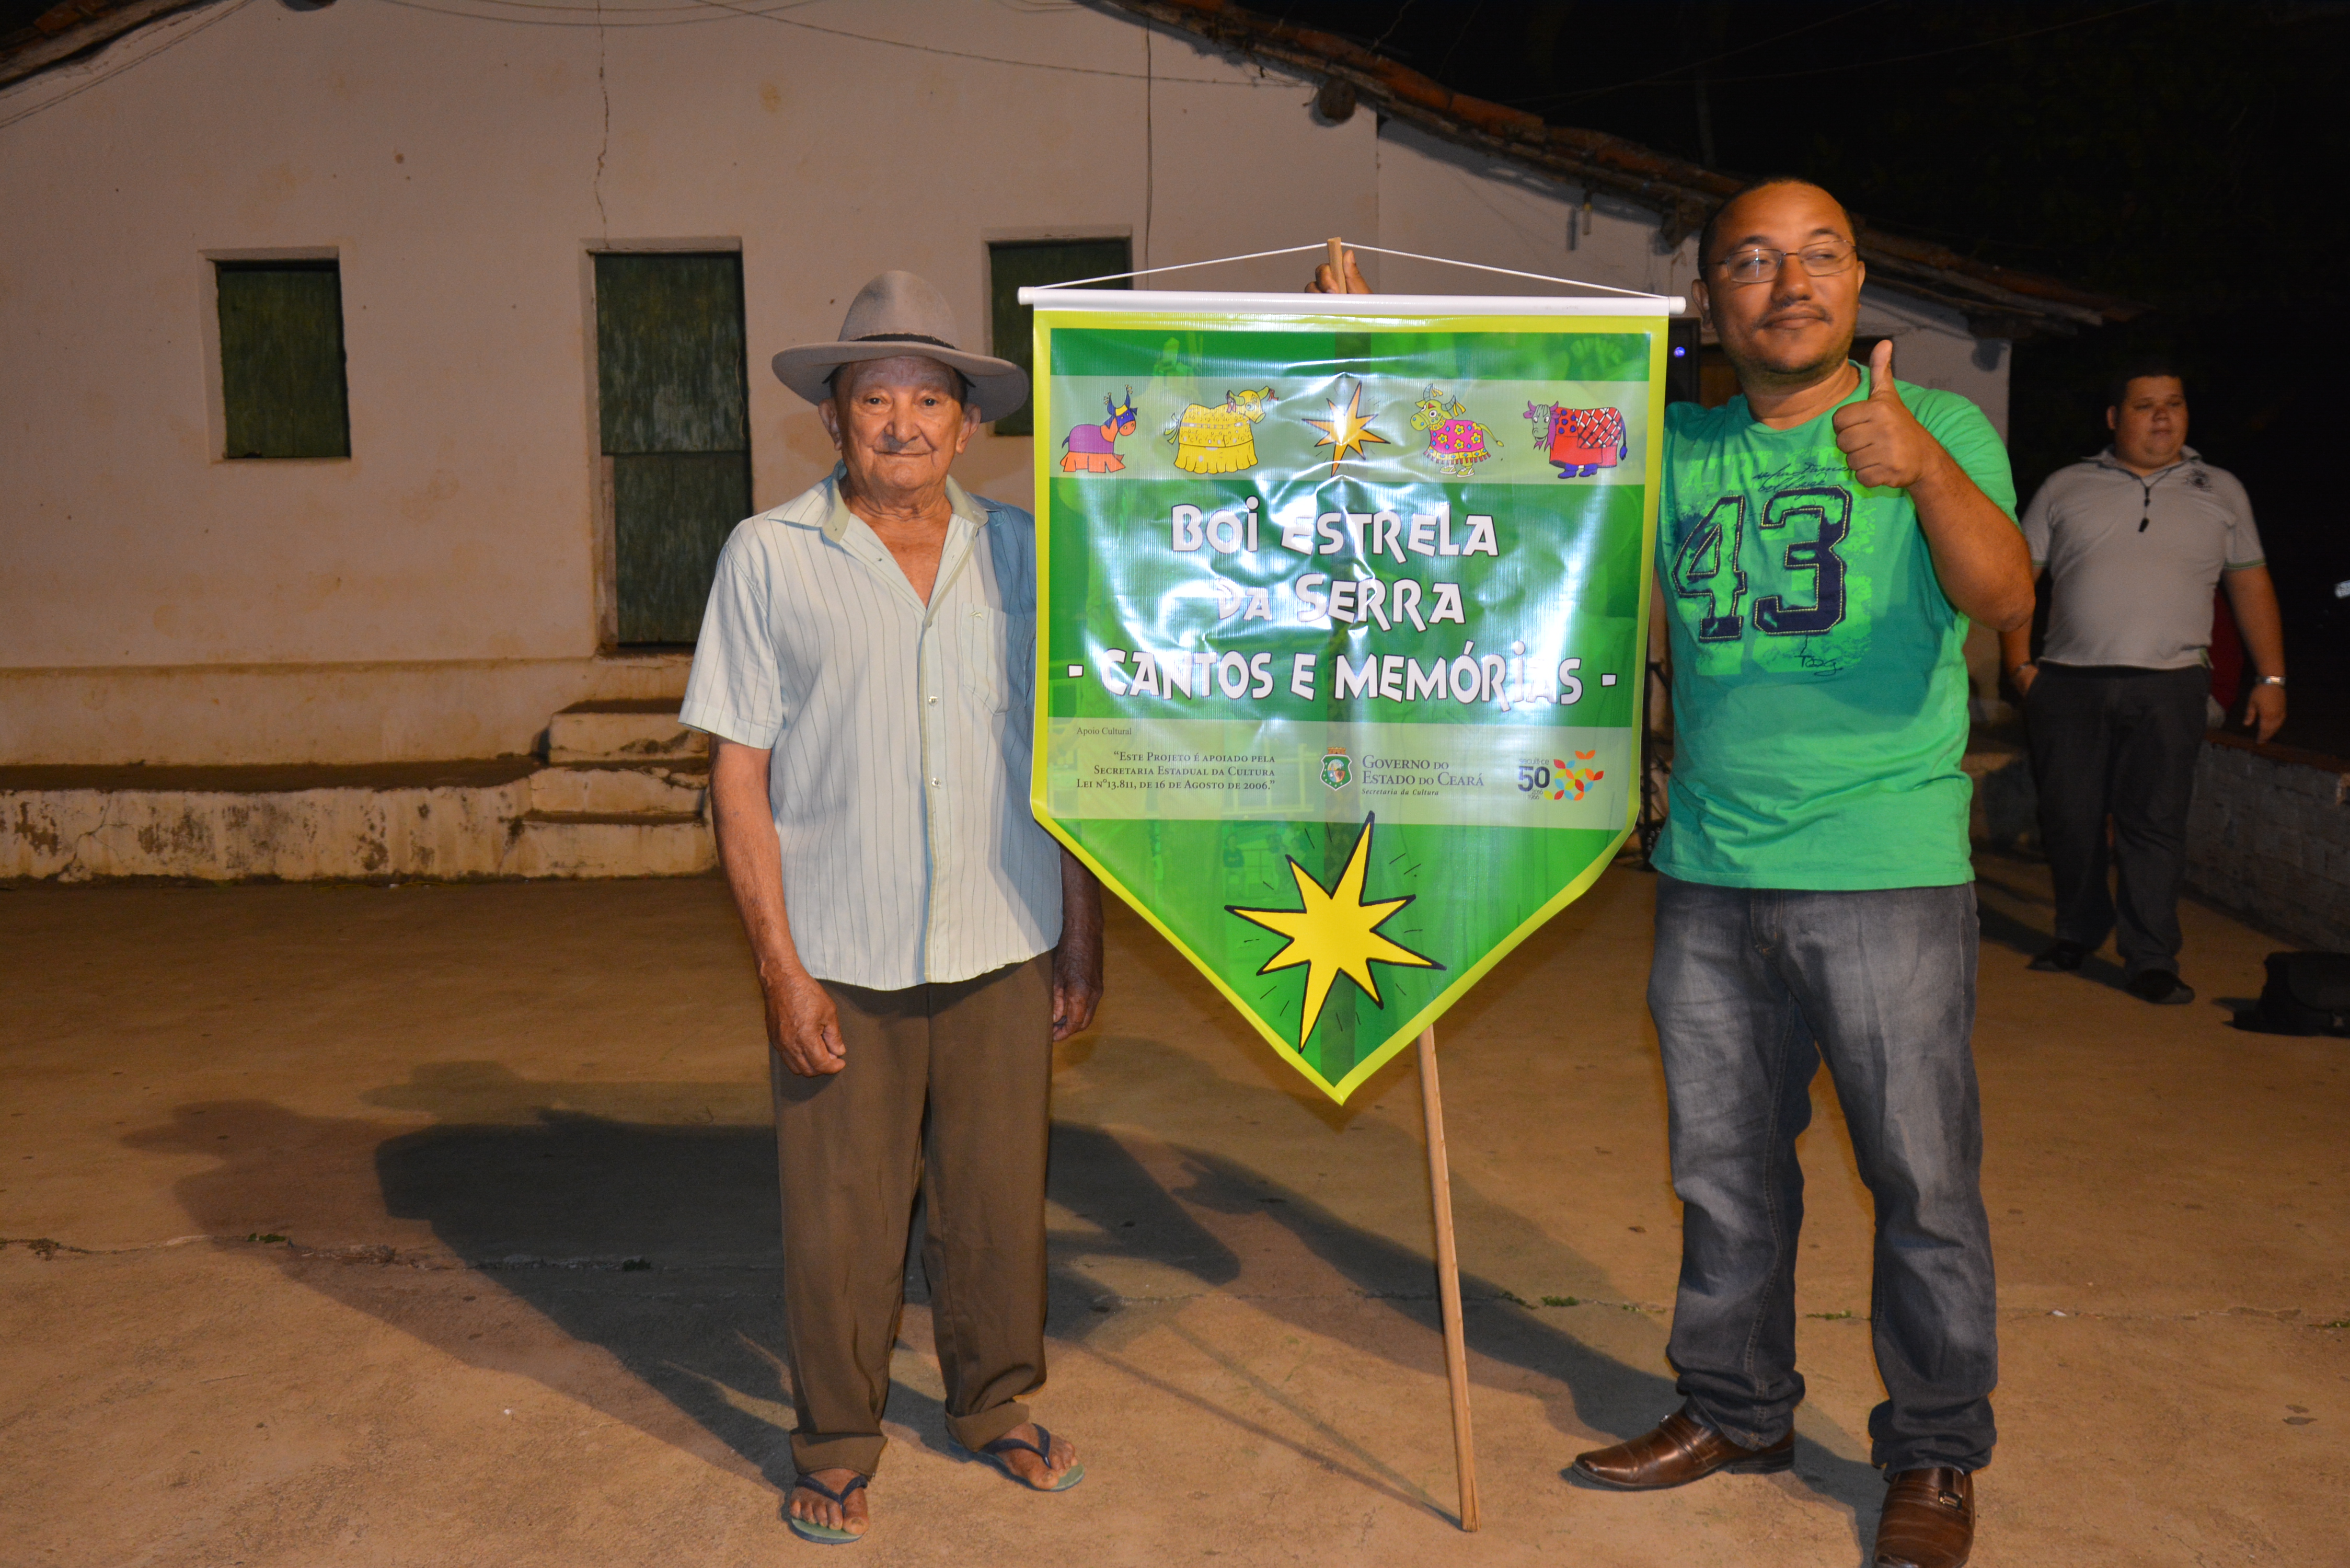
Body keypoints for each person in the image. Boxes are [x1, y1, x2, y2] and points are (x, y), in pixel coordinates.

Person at [1314, 176, 2033, 1568]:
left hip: (1884, 868)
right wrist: (1372, 356)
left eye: (1819, 256)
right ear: (1709, 299)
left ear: (1858, 280)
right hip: (1707, 866)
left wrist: (1921, 473)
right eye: (1752, 262)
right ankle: (1737, 1409)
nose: (1790, 284)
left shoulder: (1937, 427)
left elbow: (2004, 598)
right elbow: (1487, 471)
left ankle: (1936, 1452)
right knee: (1723, 1172)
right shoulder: (1672, 446)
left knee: (1923, 1183)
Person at [680, 270, 1104, 1545]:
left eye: (930, 400)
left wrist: (1082, 929)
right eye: (877, 399)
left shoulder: (1025, 554)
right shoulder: (769, 556)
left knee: (995, 1202)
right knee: (841, 1221)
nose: (904, 423)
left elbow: (1069, 752)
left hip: (1003, 931)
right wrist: (780, 968)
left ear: (967, 426)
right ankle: (835, 1440)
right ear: (835, 417)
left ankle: (994, 1402)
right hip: (841, 949)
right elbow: (737, 774)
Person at [2001, 363, 2284, 1004]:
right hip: (2067, 682)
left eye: (2173, 404)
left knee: (2152, 824)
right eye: (2144, 405)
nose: (2162, 416)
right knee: (2068, 818)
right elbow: (2017, 578)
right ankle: (2076, 929)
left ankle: (2150, 957)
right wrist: (2019, 667)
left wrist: (2270, 677)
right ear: (2112, 418)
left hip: (2170, 684)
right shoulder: (2064, 486)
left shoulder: (2220, 489)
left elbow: (2249, 585)